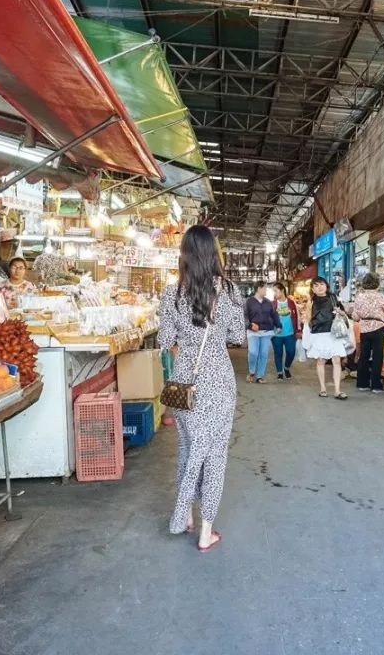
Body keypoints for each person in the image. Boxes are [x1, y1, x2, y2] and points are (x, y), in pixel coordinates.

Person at [157, 225, 245, 552]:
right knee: (214, 455)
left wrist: (185, 345)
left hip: (184, 385)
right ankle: (205, 530)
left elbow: (164, 340)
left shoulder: (171, 293)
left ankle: (188, 517)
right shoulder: (231, 291)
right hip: (219, 382)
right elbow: (238, 336)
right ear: (214, 254)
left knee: (188, 449)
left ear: (184, 255)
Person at [306, 276, 349, 399]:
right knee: (321, 361)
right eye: (316, 286)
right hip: (318, 334)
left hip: (333, 333)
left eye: (322, 284)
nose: (319, 287)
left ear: (326, 285)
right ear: (313, 289)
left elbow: (343, 311)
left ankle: (337, 390)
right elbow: (307, 318)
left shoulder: (333, 297)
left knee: (336, 360)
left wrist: (340, 312)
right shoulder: (311, 301)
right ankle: (323, 389)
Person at [349, 273, 384, 393]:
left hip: (364, 328)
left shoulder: (359, 297)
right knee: (377, 357)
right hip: (378, 327)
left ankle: (362, 383)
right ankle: (376, 385)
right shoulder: (380, 296)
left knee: (364, 356)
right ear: (377, 284)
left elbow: (355, 316)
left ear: (363, 284)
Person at [244, 284, 277, 383]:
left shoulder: (268, 302)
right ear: (258, 289)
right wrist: (250, 325)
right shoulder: (249, 302)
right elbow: (244, 317)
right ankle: (251, 371)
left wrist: (278, 325)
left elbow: (274, 314)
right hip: (253, 332)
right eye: (265, 288)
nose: (266, 290)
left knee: (263, 354)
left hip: (266, 331)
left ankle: (260, 376)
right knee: (253, 352)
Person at [270, 282, 300, 380]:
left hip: (290, 333)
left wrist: (299, 329)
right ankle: (279, 372)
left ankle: (286, 368)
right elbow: (268, 318)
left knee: (291, 352)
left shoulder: (291, 303)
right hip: (276, 334)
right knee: (278, 353)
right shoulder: (272, 304)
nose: (274, 294)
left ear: (282, 290)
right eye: (273, 291)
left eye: (276, 291)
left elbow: (298, 316)